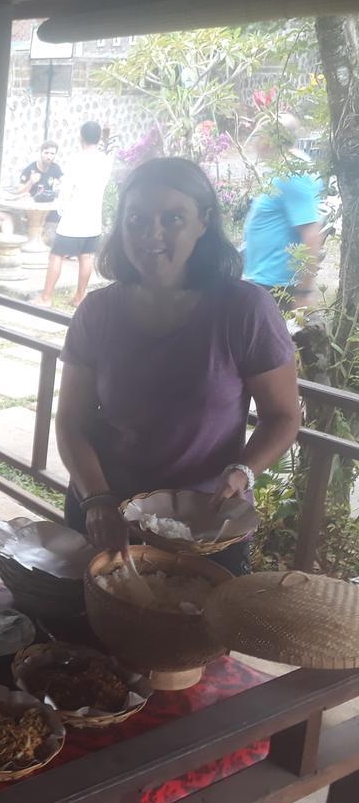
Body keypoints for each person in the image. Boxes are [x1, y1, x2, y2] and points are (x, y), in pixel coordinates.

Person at [55, 158, 301, 576]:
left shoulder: (244, 310)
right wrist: (96, 499)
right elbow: (71, 421)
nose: (152, 233)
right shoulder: (97, 312)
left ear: (203, 222)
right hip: (106, 515)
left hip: (206, 525)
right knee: (83, 635)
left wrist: (243, 472)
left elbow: (283, 416)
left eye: (173, 218)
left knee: (192, 636)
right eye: (137, 218)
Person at [242, 116, 324, 309]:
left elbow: (311, 234)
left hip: (280, 289)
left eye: (257, 136)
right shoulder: (281, 169)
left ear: (268, 140)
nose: (254, 143)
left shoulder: (293, 173)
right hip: (265, 283)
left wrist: (303, 293)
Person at [37, 121, 112, 307]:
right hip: (93, 218)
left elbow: (67, 189)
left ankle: (46, 297)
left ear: (80, 137)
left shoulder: (76, 159)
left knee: (56, 256)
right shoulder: (105, 160)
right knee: (85, 257)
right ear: (99, 137)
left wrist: (61, 209)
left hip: (73, 219)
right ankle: (79, 297)